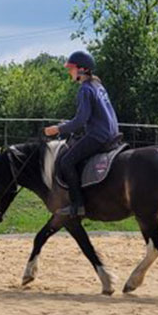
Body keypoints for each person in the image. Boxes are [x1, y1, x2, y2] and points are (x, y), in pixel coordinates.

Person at [44, 50, 120, 217]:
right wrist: (67, 125)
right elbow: (85, 118)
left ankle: (77, 205)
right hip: (112, 133)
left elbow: (80, 120)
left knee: (66, 161)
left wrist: (57, 129)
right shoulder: (98, 86)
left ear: (81, 70)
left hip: (98, 136)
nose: (69, 71)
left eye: (71, 68)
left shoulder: (85, 89)